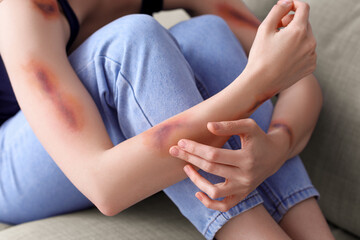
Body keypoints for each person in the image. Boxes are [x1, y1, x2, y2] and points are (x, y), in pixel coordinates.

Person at [0, 0, 334, 239]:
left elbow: (299, 77)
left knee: (208, 34)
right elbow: (104, 187)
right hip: (12, 167)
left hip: (106, 141)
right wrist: (257, 85)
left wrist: (276, 148)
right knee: (131, 39)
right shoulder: (24, 9)